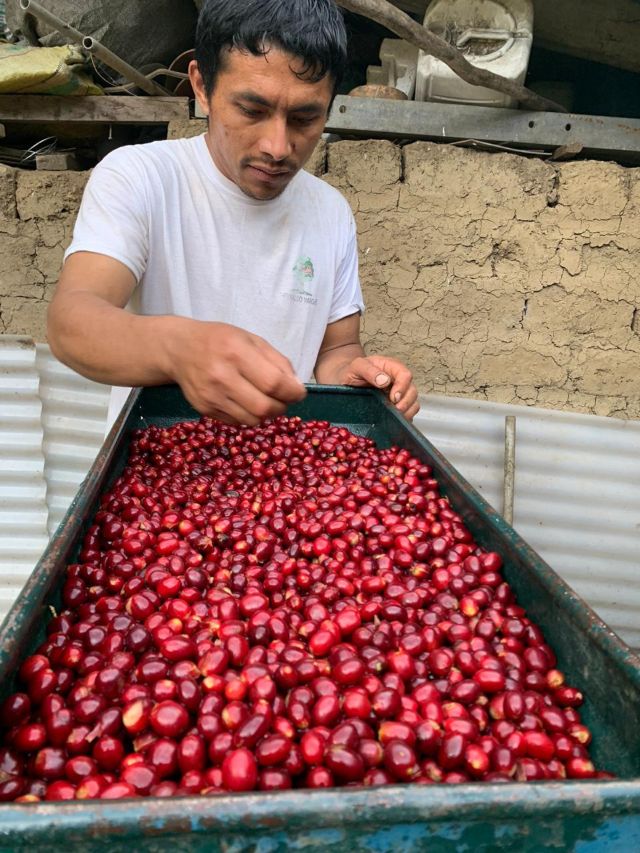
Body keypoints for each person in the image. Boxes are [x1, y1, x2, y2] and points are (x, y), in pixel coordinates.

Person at [47, 0, 420, 426]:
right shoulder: (141, 176)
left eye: (304, 118)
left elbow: (336, 350)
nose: (278, 147)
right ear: (202, 88)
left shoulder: (330, 211)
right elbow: (72, 323)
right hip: (164, 461)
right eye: (252, 111)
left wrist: (359, 376)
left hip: (277, 471)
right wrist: (180, 348)